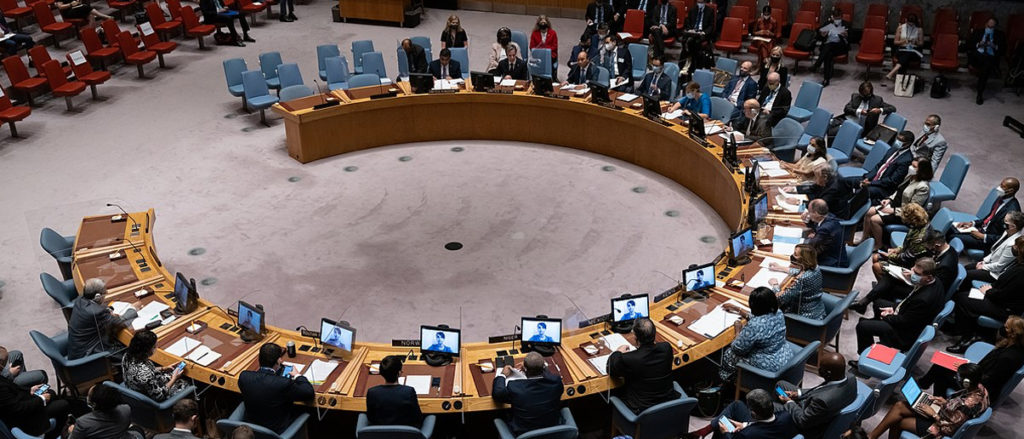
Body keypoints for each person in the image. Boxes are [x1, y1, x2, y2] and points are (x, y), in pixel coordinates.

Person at [867, 363, 988, 439]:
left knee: (898, 421)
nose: (956, 378)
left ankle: (871, 437)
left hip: (941, 429)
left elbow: (949, 428)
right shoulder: (981, 389)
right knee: (899, 405)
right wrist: (944, 402)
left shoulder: (968, 404)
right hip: (946, 414)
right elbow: (958, 412)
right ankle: (871, 437)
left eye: (959, 377)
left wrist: (933, 413)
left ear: (966, 382)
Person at [852, 258, 944, 358]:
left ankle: (865, 357)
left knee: (863, 326)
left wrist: (887, 317)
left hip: (904, 334)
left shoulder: (923, 300)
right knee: (878, 303)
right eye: (913, 269)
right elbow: (909, 305)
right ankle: (877, 324)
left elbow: (905, 321)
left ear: (929, 277)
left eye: (917, 273)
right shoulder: (935, 281)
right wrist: (895, 309)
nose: (912, 273)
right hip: (909, 315)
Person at [853, 229, 958, 315]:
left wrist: (913, 276)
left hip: (923, 292)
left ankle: (876, 304)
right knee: (890, 276)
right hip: (923, 281)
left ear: (937, 244)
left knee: (889, 284)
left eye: (929, 246)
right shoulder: (947, 249)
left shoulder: (946, 265)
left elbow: (934, 286)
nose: (928, 249)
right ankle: (865, 302)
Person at [947, 236, 1024, 353]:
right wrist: (990, 289)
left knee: (963, 299)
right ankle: (963, 329)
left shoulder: (1021, 273)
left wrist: (988, 292)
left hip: (1005, 308)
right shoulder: (1017, 263)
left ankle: (967, 337)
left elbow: (1004, 295)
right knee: (965, 295)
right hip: (998, 296)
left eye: (1016, 246)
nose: (1013, 247)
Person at [922, 316, 1024, 403]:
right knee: (942, 364)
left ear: (1013, 334)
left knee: (941, 373)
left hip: (977, 388)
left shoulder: (1008, 358)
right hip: (977, 375)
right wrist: (966, 367)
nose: (1002, 328)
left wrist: (964, 371)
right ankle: (924, 384)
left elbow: (989, 381)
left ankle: (938, 403)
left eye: (1006, 327)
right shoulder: (1010, 345)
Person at [776, 352, 858, 439]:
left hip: (808, 422)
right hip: (815, 407)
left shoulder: (823, 400)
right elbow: (820, 390)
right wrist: (798, 394)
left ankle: (779, 423)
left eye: (821, 368)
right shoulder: (851, 378)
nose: (819, 369)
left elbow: (802, 421)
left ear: (828, 373)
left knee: (771, 406)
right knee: (780, 385)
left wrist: (789, 402)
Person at [718, 287, 792, 383]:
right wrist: (738, 309)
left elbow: (738, 349)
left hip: (770, 365)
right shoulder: (778, 313)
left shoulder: (754, 325)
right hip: (784, 356)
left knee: (729, 354)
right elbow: (761, 318)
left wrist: (738, 330)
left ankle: (729, 380)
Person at [237, 343, 315, 434]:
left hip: (251, 429)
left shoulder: (244, 376)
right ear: (278, 361)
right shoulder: (283, 383)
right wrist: (298, 375)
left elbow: (262, 386)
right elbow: (309, 393)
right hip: (275, 431)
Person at [606, 318, 678, 413]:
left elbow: (611, 368)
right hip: (668, 402)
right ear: (654, 333)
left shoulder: (630, 359)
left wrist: (618, 351)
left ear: (635, 337)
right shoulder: (666, 348)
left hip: (643, 409)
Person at [0, 355, 80, 439]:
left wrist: (30, 390)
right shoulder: (1, 388)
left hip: (23, 403)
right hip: (26, 418)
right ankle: (58, 433)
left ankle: (62, 420)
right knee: (63, 404)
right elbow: (18, 408)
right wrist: (42, 399)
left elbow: (14, 390)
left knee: (51, 393)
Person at [860, 160, 932, 250]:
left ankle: (879, 244)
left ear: (921, 170)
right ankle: (864, 239)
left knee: (874, 219)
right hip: (894, 205)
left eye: (914, 167)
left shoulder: (923, 187)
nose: (910, 167)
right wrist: (889, 199)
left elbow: (913, 209)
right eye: (911, 165)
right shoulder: (910, 176)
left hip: (904, 214)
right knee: (869, 212)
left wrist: (893, 211)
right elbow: (899, 190)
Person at [492, 352, 563, 436]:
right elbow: (548, 375)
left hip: (523, 433)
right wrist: (535, 366)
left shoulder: (515, 387)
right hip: (552, 431)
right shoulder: (556, 382)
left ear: (525, 368)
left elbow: (498, 394)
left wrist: (502, 375)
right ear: (544, 367)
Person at [687, 389, 797, 439]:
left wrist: (725, 433)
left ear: (753, 414)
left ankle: (703, 432)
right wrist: (745, 425)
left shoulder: (747, 434)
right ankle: (703, 431)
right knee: (737, 405)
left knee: (721, 427)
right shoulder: (786, 415)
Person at [68, 278, 134, 360]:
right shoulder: (96, 312)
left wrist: (107, 310)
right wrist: (132, 310)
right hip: (88, 353)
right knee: (131, 354)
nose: (105, 295)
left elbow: (98, 309)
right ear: (97, 297)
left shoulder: (80, 300)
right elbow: (118, 323)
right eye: (104, 293)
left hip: (78, 347)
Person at [952, 177, 1021, 253]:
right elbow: (990, 217)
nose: (998, 188)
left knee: (954, 237)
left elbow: (1005, 237)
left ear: (1010, 191)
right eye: (1000, 184)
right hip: (981, 229)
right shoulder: (1001, 198)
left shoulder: (1013, 212)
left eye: (1003, 186)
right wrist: (972, 223)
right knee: (951, 228)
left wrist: (983, 236)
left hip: (988, 240)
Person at [123, 330, 190, 402]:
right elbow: (159, 396)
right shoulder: (145, 374)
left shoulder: (127, 355)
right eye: (154, 347)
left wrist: (163, 368)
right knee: (186, 382)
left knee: (170, 374)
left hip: (136, 385)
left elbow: (147, 371)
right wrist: (174, 379)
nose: (156, 348)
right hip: (151, 396)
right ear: (147, 350)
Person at [961, 211, 1024, 287]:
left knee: (967, 274)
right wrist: (984, 261)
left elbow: (999, 266)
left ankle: (962, 292)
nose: (1003, 224)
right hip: (990, 263)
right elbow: (994, 250)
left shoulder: (1013, 244)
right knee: (966, 268)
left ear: (1013, 227)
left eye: (1005, 222)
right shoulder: (1007, 231)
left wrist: (983, 267)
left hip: (995, 274)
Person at [766, 244, 825, 320]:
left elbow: (780, 299)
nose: (793, 256)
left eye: (795, 254)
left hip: (804, 316)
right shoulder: (816, 267)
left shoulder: (802, 279)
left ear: (804, 259)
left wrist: (775, 285)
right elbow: (801, 271)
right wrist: (781, 268)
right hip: (817, 308)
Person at [870, 203, 930, 277]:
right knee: (876, 257)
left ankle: (891, 282)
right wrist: (897, 250)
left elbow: (907, 258)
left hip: (913, 266)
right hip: (908, 256)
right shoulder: (917, 226)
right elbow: (909, 246)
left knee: (877, 267)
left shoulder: (920, 238)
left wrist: (889, 256)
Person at [366, 355, 422, 427]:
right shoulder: (408, 392)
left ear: (381, 373)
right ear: (399, 373)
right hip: (406, 431)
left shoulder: (372, 392)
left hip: (379, 431)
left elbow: (370, 418)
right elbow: (418, 417)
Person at [859, 130, 914, 204]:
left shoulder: (907, 160)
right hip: (873, 179)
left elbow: (892, 180)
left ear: (908, 143)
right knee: (849, 182)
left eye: (901, 140)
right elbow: (879, 165)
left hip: (884, 188)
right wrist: (868, 178)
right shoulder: (892, 149)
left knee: (862, 191)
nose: (897, 141)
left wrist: (871, 183)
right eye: (897, 138)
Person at [67, 385, 140, 439]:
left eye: (88, 396)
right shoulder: (126, 409)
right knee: (137, 429)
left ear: (93, 404)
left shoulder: (82, 422)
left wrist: (72, 431)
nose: (87, 397)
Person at [969, 18, 1005, 105]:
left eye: (992, 27)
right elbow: (969, 44)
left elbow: (1003, 50)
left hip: (990, 56)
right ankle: (980, 91)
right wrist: (978, 44)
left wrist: (994, 46)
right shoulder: (978, 32)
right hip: (978, 55)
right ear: (986, 24)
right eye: (989, 26)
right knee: (985, 66)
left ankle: (979, 93)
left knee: (986, 67)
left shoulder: (1000, 35)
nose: (990, 28)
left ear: (995, 27)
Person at [810, 8, 850, 86]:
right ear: (832, 17)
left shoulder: (846, 24)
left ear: (842, 17)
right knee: (828, 54)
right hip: (828, 47)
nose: (837, 20)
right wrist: (822, 34)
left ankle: (817, 64)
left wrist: (846, 35)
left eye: (838, 18)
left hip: (840, 47)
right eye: (835, 18)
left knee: (829, 45)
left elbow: (852, 38)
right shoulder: (828, 24)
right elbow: (818, 35)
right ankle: (826, 79)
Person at [803, 199, 846, 267]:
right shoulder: (830, 216)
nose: (808, 214)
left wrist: (816, 237)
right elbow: (818, 229)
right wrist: (816, 235)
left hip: (832, 261)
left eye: (809, 212)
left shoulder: (824, 229)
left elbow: (811, 247)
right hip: (833, 253)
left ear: (816, 213)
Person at [884, 14, 923, 84]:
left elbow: (921, 43)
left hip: (914, 51)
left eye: (912, 24)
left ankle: (893, 73)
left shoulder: (919, 30)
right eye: (909, 24)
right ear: (906, 21)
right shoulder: (900, 28)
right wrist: (904, 41)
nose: (910, 26)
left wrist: (916, 42)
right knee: (905, 56)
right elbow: (895, 42)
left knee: (907, 55)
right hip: (902, 49)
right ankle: (900, 80)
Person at [529, 15, 559, 80]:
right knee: (535, 62)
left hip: (550, 55)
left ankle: (551, 78)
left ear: (547, 23)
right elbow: (531, 47)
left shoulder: (553, 33)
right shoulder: (534, 33)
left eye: (544, 22)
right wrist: (541, 51)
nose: (543, 24)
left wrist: (545, 50)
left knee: (547, 61)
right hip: (538, 55)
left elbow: (555, 46)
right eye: (541, 22)